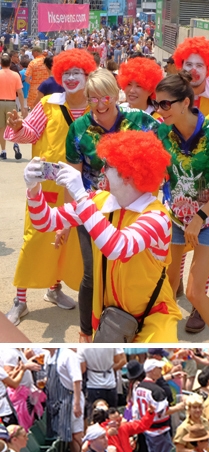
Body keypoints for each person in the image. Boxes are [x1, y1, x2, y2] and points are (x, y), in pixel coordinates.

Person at [24, 130, 180, 341]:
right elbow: (45, 221)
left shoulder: (157, 217)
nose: (102, 170)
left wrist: (80, 195)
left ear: (127, 175)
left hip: (153, 322)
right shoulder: (99, 200)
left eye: (108, 166)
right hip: (110, 320)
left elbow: (118, 248)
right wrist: (33, 188)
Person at [5, 49, 96, 326]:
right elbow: (30, 134)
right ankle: (20, 301)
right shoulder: (48, 104)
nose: (70, 78)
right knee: (34, 239)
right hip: (46, 185)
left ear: (87, 75)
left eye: (76, 73)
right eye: (65, 73)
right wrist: (20, 125)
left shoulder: (96, 107)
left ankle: (54, 290)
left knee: (67, 242)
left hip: (80, 188)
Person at [154, 72, 209, 341]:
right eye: (157, 103)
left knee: (194, 292)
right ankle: (164, 337)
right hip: (176, 219)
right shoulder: (162, 131)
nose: (160, 109)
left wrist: (201, 216)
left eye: (166, 104)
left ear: (185, 102)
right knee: (168, 283)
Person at [173, 35, 209, 117]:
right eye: (189, 64)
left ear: (208, 68)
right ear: (181, 67)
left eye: (199, 65)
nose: (193, 70)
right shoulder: (171, 93)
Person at [0, 53, 25, 160]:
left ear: (1, 64)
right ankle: (15, 144)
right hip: (11, 102)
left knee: (1, 128)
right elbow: (20, 92)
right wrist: (23, 107)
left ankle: (4, 151)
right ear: (10, 64)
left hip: (0, 102)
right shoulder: (16, 75)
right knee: (13, 126)